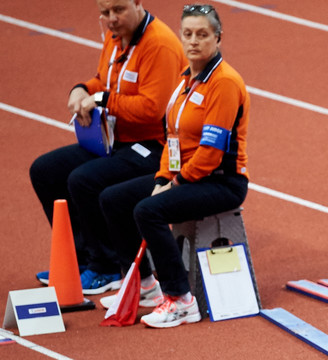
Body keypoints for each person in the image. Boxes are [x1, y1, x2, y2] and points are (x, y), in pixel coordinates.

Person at [98, 3, 250, 328]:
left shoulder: (224, 83)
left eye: (203, 34)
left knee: (147, 211)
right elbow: (172, 139)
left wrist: (176, 184)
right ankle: (144, 286)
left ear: (218, 38)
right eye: (188, 34)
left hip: (221, 183)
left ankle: (181, 299)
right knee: (113, 198)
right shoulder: (185, 81)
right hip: (186, 176)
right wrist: (162, 177)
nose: (194, 41)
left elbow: (210, 153)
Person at [29, 0, 187, 294]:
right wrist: (82, 88)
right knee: (45, 170)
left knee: (84, 180)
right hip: (115, 140)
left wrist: (102, 101)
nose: (111, 19)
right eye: (104, 12)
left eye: (118, 10)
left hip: (154, 146)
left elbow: (153, 108)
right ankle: (78, 262)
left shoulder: (159, 44)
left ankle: (108, 267)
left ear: (137, 3)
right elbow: (104, 80)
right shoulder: (115, 38)